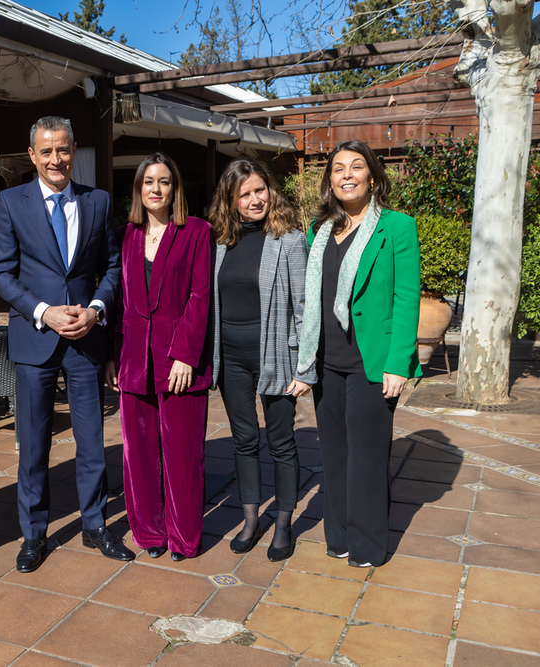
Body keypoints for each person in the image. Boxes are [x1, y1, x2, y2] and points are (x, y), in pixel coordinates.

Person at [0, 116, 132, 573]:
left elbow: (112, 268)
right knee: (33, 446)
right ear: (32, 155)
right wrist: (43, 312)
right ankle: (33, 533)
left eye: (63, 149)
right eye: (46, 151)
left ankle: (95, 524)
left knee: (92, 442)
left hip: (87, 339)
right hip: (35, 339)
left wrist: (95, 309)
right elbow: (1, 274)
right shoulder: (11, 203)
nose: (56, 159)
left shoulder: (97, 201)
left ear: (74, 151)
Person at [296, 140, 421, 568]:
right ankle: (340, 536)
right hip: (328, 361)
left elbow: (406, 298)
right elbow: (313, 298)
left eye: (356, 167)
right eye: (337, 169)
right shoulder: (319, 230)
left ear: (372, 176)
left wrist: (397, 363)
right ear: (330, 180)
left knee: (367, 458)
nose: (346, 174)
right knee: (334, 455)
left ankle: (368, 545)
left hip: (372, 360)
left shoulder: (398, 227)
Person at [105, 152, 212, 561]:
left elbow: (200, 297)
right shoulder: (123, 235)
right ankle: (149, 533)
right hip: (134, 359)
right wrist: (112, 355)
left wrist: (186, 355)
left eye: (164, 181)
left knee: (184, 454)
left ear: (175, 188)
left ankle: (184, 537)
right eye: (148, 181)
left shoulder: (198, 232)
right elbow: (116, 302)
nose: (156, 188)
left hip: (179, 361)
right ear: (138, 189)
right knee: (139, 454)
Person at [208, 158, 315, 563]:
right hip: (231, 358)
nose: (255, 200)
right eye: (245, 194)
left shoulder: (288, 239)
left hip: (278, 357)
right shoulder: (220, 243)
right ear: (231, 200)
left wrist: (306, 368)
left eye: (260, 190)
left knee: (281, 442)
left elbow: (306, 308)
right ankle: (251, 520)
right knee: (244, 439)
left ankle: (284, 522)